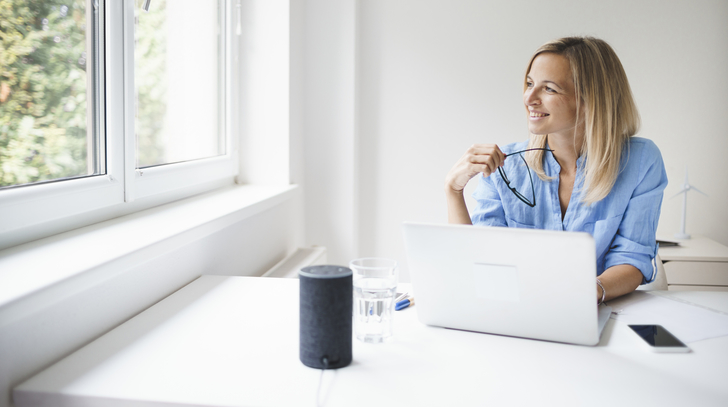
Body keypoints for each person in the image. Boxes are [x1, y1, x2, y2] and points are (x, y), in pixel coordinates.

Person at [444, 36, 668, 304]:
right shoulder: (505, 166)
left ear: (590, 99)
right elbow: (478, 261)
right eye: (529, 84)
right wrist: (453, 189)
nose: (529, 98)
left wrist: (588, 292)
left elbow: (631, 259)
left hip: (597, 312)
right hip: (516, 311)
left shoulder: (641, 161)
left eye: (548, 89)